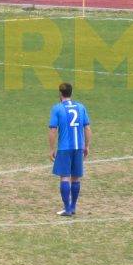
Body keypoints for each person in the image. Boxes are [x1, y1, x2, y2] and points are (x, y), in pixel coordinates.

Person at [48, 82, 92, 217]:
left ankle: (67, 209)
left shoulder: (57, 108)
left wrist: (51, 149)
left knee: (65, 178)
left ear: (60, 94)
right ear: (71, 93)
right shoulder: (81, 107)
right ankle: (73, 207)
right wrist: (87, 146)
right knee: (76, 178)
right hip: (79, 147)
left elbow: (53, 130)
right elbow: (87, 128)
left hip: (64, 148)